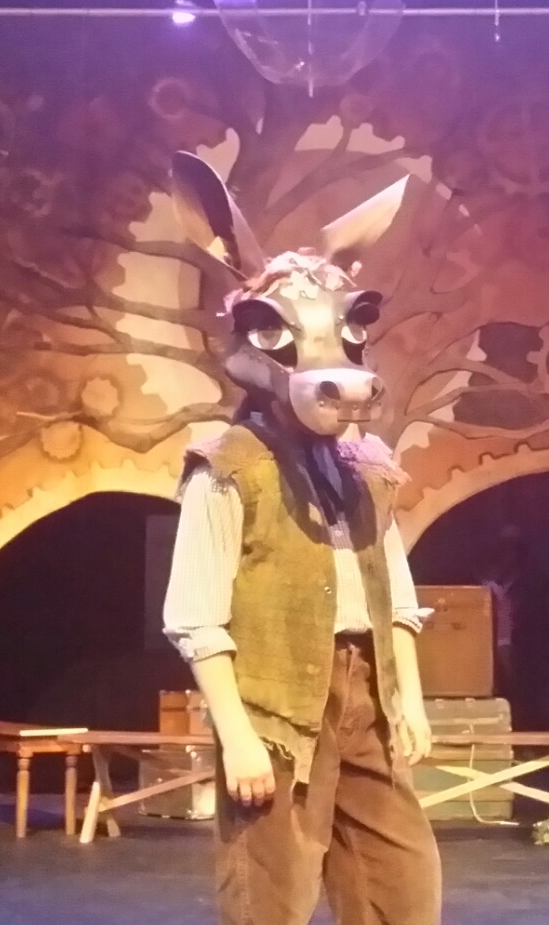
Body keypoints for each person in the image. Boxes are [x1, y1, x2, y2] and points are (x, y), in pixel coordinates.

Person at [161, 150, 442, 925]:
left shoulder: (367, 469)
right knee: (271, 895)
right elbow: (196, 617)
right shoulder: (228, 467)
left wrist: (408, 698)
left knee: (402, 887)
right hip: (278, 708)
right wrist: (237, 736)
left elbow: (394, 595)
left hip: (364, 701)